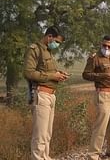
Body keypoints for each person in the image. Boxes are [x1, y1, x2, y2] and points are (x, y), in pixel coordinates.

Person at [23, 26, 69, 160]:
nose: (57, 45)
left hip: (50, 95)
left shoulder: (48, 52)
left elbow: (46, 71)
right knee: (40, 134)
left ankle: (45, 157)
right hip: (41, 94)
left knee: (47, 133)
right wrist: (52, 76)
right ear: (49, 37)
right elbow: (28, 72)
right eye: (57, 42)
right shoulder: (34, 50)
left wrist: (59, 73)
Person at [82, 35, 110, 159]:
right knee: (101, 125)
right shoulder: (95, 57)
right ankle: (93, 154)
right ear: (101, 44)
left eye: (109, 46)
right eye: (104, 45)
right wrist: (102, 76)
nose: (106, 48)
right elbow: (86, 74)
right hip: (103, 94)